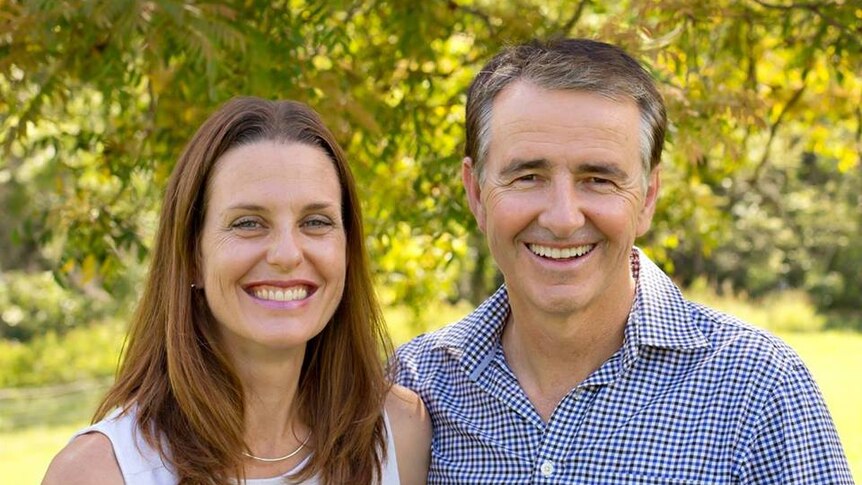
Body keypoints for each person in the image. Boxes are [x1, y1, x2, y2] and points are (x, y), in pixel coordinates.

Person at [393, 38, 852, 483]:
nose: (563, 218)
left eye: (598, 179)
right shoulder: (414, 386)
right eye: (529, 176)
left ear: (648, 197)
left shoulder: (759, 388)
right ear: (476, 193)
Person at [44, 97, 430, 484]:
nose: (286, 254)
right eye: (248, 223)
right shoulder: (99, 472)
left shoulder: (396, 432)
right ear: (192, 254)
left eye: (315, 221)